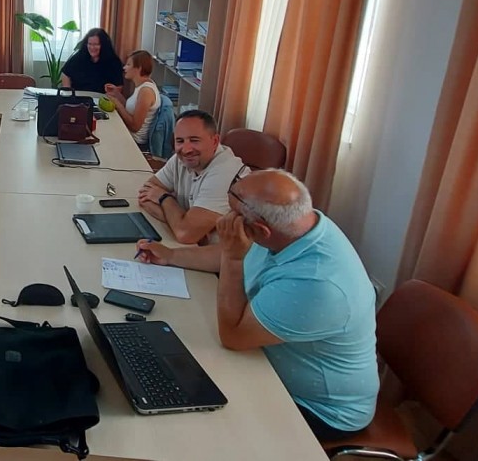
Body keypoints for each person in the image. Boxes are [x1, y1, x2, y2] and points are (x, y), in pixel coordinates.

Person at [135, 169, 379, 441]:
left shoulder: (318, 284)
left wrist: (233, 258)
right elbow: (237, 252)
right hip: (263, 361)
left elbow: (233, 336)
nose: (224, 221)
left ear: (261, 230)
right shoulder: (295, 225)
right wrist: (171, 256)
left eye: (232, 215)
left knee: (181, 423)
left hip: (316, 409)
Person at [135, 110, 244, 245]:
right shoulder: (180, 159)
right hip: (197, 246)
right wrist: (181, 221)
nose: (186, 149)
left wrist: (164, 198)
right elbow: (145, 195)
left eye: (194, 140)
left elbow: (185, 234)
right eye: (180, 141)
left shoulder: (225, 172)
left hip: (224, 254)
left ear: (215, 141)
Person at [104, 50, 161, 149]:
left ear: (139, 68)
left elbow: (135, 126)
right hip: (127, 134)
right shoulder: (141, 86)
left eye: (128, 64)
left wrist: (118, 104)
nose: (124, 68)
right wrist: (117, 94)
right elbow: (130, 109)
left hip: (134, 142)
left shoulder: (146, 91)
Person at [60, 28, 124, 92]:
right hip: (79, 95)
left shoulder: (113, 62)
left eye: (96, 44)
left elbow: (119, 86)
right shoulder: (80, 55)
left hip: (101, 97)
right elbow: (65, 73)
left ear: (104, 45)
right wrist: (68, 91)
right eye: (90, 44)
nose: (92, 47)